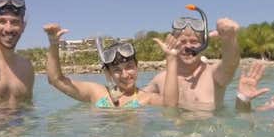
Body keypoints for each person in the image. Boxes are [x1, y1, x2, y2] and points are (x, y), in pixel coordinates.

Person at [43, 24, 179, 108]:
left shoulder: (146, 99)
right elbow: (55, 80)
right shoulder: (96, 93)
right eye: (117, 70)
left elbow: (171, 106)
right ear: (108, 73)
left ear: (137, 67)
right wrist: (53, 43)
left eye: (129, 66)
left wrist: (171, 59)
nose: (125, 74)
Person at [144, 13, 240, 111]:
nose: (188, 47)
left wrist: (229, 38)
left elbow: (230, 64)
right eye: (182, 42)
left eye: (194, 41)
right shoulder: (161, 79)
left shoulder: (213, 74)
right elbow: (136, 98)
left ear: (203, 45)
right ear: (173, 43)